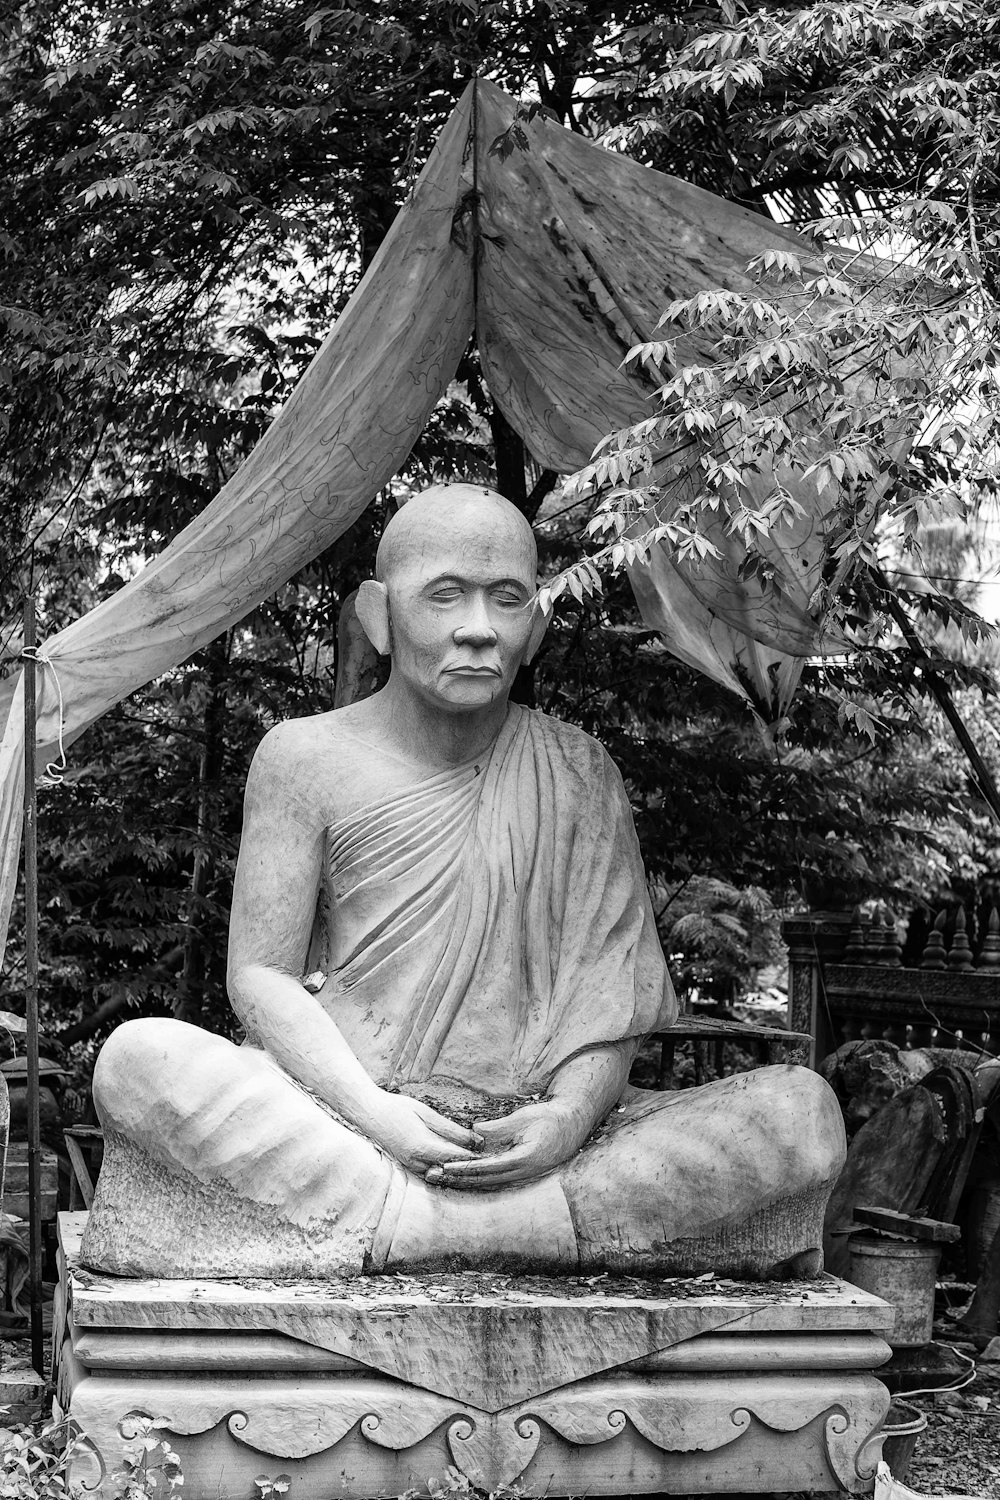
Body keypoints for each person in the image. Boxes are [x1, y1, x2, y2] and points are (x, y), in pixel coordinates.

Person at [81, 483, 845, 1279]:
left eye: (507, 600)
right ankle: (538, 1232)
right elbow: (261, 976)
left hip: (538, 1147)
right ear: (380, 617)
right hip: (348, 1119)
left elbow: (606, 1000)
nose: (477, 630)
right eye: (444, 596)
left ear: (537, 626)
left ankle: (400, 1227)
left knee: (801, 1114)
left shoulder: (579, 772)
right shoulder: (303, 759)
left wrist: (569, 1119)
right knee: (142, 1062)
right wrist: (377, 1114)